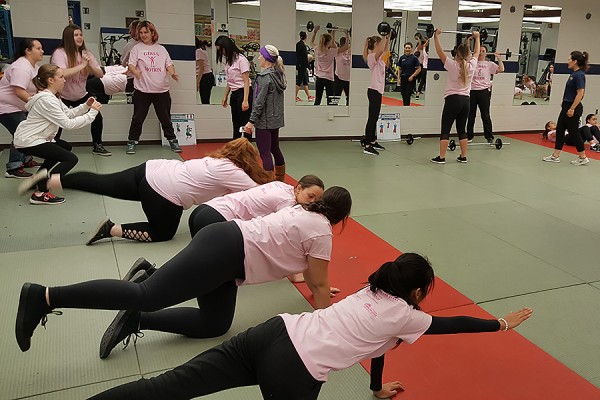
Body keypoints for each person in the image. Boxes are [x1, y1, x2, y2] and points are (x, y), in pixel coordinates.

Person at [41, 253, 536, 399]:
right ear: (419, 290)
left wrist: (376, 388)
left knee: (167, 388)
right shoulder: (411, 316)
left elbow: (381, 345)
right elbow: (452, 328)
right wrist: (499, 325)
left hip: (272, 333)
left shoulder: (371, 293)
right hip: (295, 370)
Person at [15, 186, 353, 361]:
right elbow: (319, 282)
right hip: (226, 249)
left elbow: (313, 276)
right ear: (343, 218)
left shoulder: (304, 214)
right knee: (148, 296)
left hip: (229, 259)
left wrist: (318, 291)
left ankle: (135, 320)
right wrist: (329, 328)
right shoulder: (321, 231)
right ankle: (45, 296)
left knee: (215, 324)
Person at [19, 138, 272, 241]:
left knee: (102, 182)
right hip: (163, 193)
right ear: (247, 161)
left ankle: (51, 180)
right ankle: (112, 229)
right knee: (163, 233)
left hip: (151, 169)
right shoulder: (233, 172)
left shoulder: (216, 161)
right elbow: (259, 195)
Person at [14, 64, 102, 205]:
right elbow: (68, 124)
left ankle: (38, 178)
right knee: (70, 159)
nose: (64, 80)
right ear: (50, 80)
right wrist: (92, 113)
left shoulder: (52, 97)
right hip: (29, 140)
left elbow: (67, 113)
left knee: (65, 147)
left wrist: (85, 106)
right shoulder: (46, 100)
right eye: (61, 77)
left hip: (34, 138)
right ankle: (42, 191)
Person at [188, 175, 324, 238]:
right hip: (216, 218)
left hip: (203, 210)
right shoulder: (286, 202)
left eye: (317, 200)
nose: (312, 202)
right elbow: (283, 234)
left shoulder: (282, 185)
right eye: (310, 196)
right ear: (299, 188)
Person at [51, 24, 110, 156]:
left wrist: (89, 65)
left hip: (81, 94)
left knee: (97, 117)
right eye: (76, 35)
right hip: (63, 96)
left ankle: (97, 145)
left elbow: (100, 74)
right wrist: (82, 65)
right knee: (57, 123)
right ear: (68, 38)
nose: (79, 37)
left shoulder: (86, 54)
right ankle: (53, 146)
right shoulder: (60, 53)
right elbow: (62, 73)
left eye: (81, 34)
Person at [126, 21, 181, 155]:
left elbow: (169, 64)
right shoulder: (137, 48)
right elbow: (131, 64)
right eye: (141, 33)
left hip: (161, 90)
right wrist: (136, 72)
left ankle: (172, 140)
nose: (143, 35)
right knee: (138, 118)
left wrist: (172, 72)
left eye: (146, 32)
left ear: (152, 33)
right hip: (142, 91)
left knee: (165, 118)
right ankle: (132, 141)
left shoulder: (161, 49)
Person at [430, 29, 480, 164]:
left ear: (456, 55)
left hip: (452, 100)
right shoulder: (471, 65)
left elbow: (440, 52)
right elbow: (477, 52)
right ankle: (463, 156)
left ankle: (441, 157)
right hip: (466, 101)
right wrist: (477, 37)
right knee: (461, 130)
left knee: (445, 129)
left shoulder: (452, 65)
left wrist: (436, 37)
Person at [0, 38, 44, 179]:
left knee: (27, 131)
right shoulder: (21, 67)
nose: (42, 51)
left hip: (19, 108)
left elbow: (38, 88)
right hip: (6, 108)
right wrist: (36, 106)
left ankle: (26, 160)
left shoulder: (34, 67)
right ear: (27, 50)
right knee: (22, 132)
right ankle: (13, 167)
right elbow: (19, 91)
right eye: (38, 48)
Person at [243, 45, 287, 180]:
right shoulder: (278, 75)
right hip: (276, 120)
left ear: (266, 58)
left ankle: (268, 183)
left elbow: (259, 102)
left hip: (264, 122)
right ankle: (280, 179)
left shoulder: (264, 77)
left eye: (261, 55)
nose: (258, 57)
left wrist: (251, 122)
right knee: (275, 149)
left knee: (265, 153)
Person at [542, 51, 590, 165]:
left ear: (575, 61)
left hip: (573, 107)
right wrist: (564, 101)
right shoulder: (574, 74)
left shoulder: (579, 75)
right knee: (559, 130)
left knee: (573, 132)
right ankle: (556, 155)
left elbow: (580, 94)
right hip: (566, 106)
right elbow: (571, 91)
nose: (567, 61)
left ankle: (583, 157)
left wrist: (572, 108)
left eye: (569, 59)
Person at [215, 35, 252, 140]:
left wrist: (245, 100)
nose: (221, 53)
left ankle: (247, 146)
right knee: (236, 123)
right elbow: (229, 81)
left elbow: (246, 81)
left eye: (221, 50)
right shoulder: (229, 61)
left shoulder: (241, 60)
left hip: (243, 93)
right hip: (235, 93)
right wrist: (225, 96)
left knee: (245, 124)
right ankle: (235, 145)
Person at [467, 46, 504, 143]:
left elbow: (501, 69)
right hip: (472, 91)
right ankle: (469, 136)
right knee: (471, 115)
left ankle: (489, 137)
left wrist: (499, 58)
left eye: (483, 51)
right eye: (479, 51)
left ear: (486, 53)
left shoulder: (489, 64)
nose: (481, 53)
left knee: (486, 115)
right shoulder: (472, 62)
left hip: (484, 92)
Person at [361, 34, 390, 156]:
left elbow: (386, 50)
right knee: (372, 119)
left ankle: (372, 141)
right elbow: (382, 50)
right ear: (376, 45)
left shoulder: (378, 57)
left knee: (375, 118)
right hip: (374, 91)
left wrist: (388, 37)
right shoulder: (372, 57)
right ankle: (367, 145)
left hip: (377, 91)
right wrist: (384, 36)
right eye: (380, 43)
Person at [310, 26, 350, 106]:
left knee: (317, 100)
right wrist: (346, 34)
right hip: (329, 79)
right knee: (330, 101)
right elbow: (346, 47)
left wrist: (315, 32)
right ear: (328, 42)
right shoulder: (331, 52)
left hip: (319, 78)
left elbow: (311, 42)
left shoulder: (317, 49)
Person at [397, 42, 421, 106]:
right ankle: (405, 105)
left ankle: (406, 107)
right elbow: (399, 69)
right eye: (406, 48)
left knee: (408, 94)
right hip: (403, 78)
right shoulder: (402, 58)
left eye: (409, 48)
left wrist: (412, 76)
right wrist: (398, 78)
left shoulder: (414, 58)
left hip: (410, 79)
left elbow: (419, 69)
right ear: (404, 48)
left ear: (411, 49)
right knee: (403, 93)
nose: (407, 49)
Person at [295, 31, 314, 102]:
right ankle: (294, 96)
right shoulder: (302, 45)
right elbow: (305, 58)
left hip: (300, 65)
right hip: (302, 66)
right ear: (306, 36)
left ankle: (309, 96)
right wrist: (309, 67)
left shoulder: (298, 44)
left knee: (305, 81)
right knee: (299, 81)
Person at [195, 38, 215, 104]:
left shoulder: (198, 51)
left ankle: (207, 113)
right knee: (205, 99)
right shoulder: (202, 49)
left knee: (205, 99)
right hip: (207, 76)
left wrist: (197, 82)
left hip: (205, 76)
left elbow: (201, 69)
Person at [334, 36, 351, 106]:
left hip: (348, 78)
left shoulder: (350, 52)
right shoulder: (338, 52)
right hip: (339, 77)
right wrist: (332, 32)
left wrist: (348, 35)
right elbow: (332, 44)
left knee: (349, 98)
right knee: (336, 97)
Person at [414, 34, 429, 100]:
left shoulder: (426, 52)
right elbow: (423, 44)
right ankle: (417, 92)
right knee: (421, 81)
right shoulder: (423, 51)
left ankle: (418, 93)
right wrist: (421, 38)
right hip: (422, 67)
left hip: (425, 68)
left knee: (423, 81)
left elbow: (426, 44)